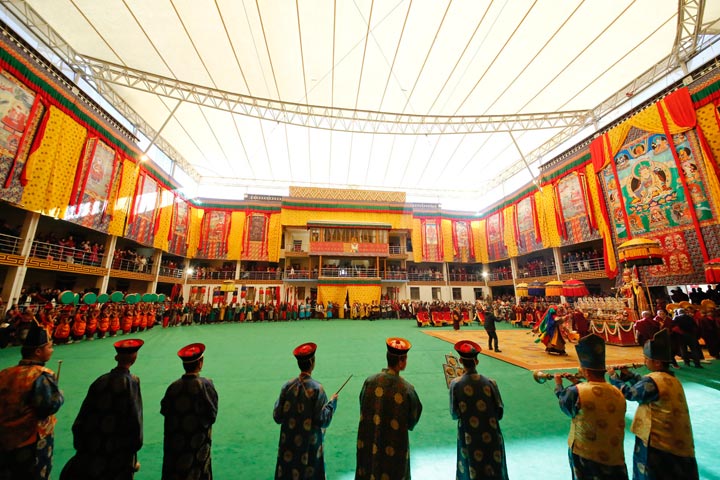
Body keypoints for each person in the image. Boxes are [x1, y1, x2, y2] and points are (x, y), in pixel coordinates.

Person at [609, 329, 699, 480]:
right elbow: (645, 386)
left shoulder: (652, 380)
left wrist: (614, 378)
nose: (645, 362)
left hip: (657, 440)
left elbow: (631, 394)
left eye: (647, 359)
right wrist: (629, 375)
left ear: (657, 362)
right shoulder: (671, 378)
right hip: (676, 439)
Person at [60, 339, 144, 480]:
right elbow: (135, 423)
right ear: (134, 358)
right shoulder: (132, 383)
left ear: (117, 357)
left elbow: (82, 418)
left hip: (93, 450)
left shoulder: (100, 380)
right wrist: (132, 457)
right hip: (118, 456)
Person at [555, 334, 628, 479]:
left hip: (585, 454)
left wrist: (558, 385)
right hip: (614, 454)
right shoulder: (617, 392)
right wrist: (577, 383)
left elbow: (565, 403)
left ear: (586, 371)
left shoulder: (576, 391)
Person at [0, 322, 64, 480]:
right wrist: (59, 395)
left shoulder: (5, 373)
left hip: (6, 436)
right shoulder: (41, 375)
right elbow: (48, 406)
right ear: (38, 351)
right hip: (32, 438)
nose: (52, 350)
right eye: (49, 347)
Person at [356, 337, 422, 480]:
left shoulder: (369, 381)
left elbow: (362, 405)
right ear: (401, 362)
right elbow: (413, 420)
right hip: (394, 442)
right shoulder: (407, 389)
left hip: (371, 437)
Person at [273, 342, 337, 479]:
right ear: (312, 362)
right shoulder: (317, 389)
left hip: (289, 445)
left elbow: (277, 416)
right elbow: (322, 421)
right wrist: (332, 404)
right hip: (310, 446)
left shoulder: (287, 386)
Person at [449, 340, 508, 480]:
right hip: (491, 435)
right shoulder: (490, 383)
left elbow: (454, 414)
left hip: (468, 436)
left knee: (470, 467)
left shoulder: (455, 384)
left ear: (460, 361)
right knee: (494, 467)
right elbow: (499, 412)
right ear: (477, 361)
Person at [161, 343, 218, 480]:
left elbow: (164, 409)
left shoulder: (173, 387)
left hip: (176, 446)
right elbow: (212, 415)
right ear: (200, 363)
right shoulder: (206, 385)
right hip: (198, 446)